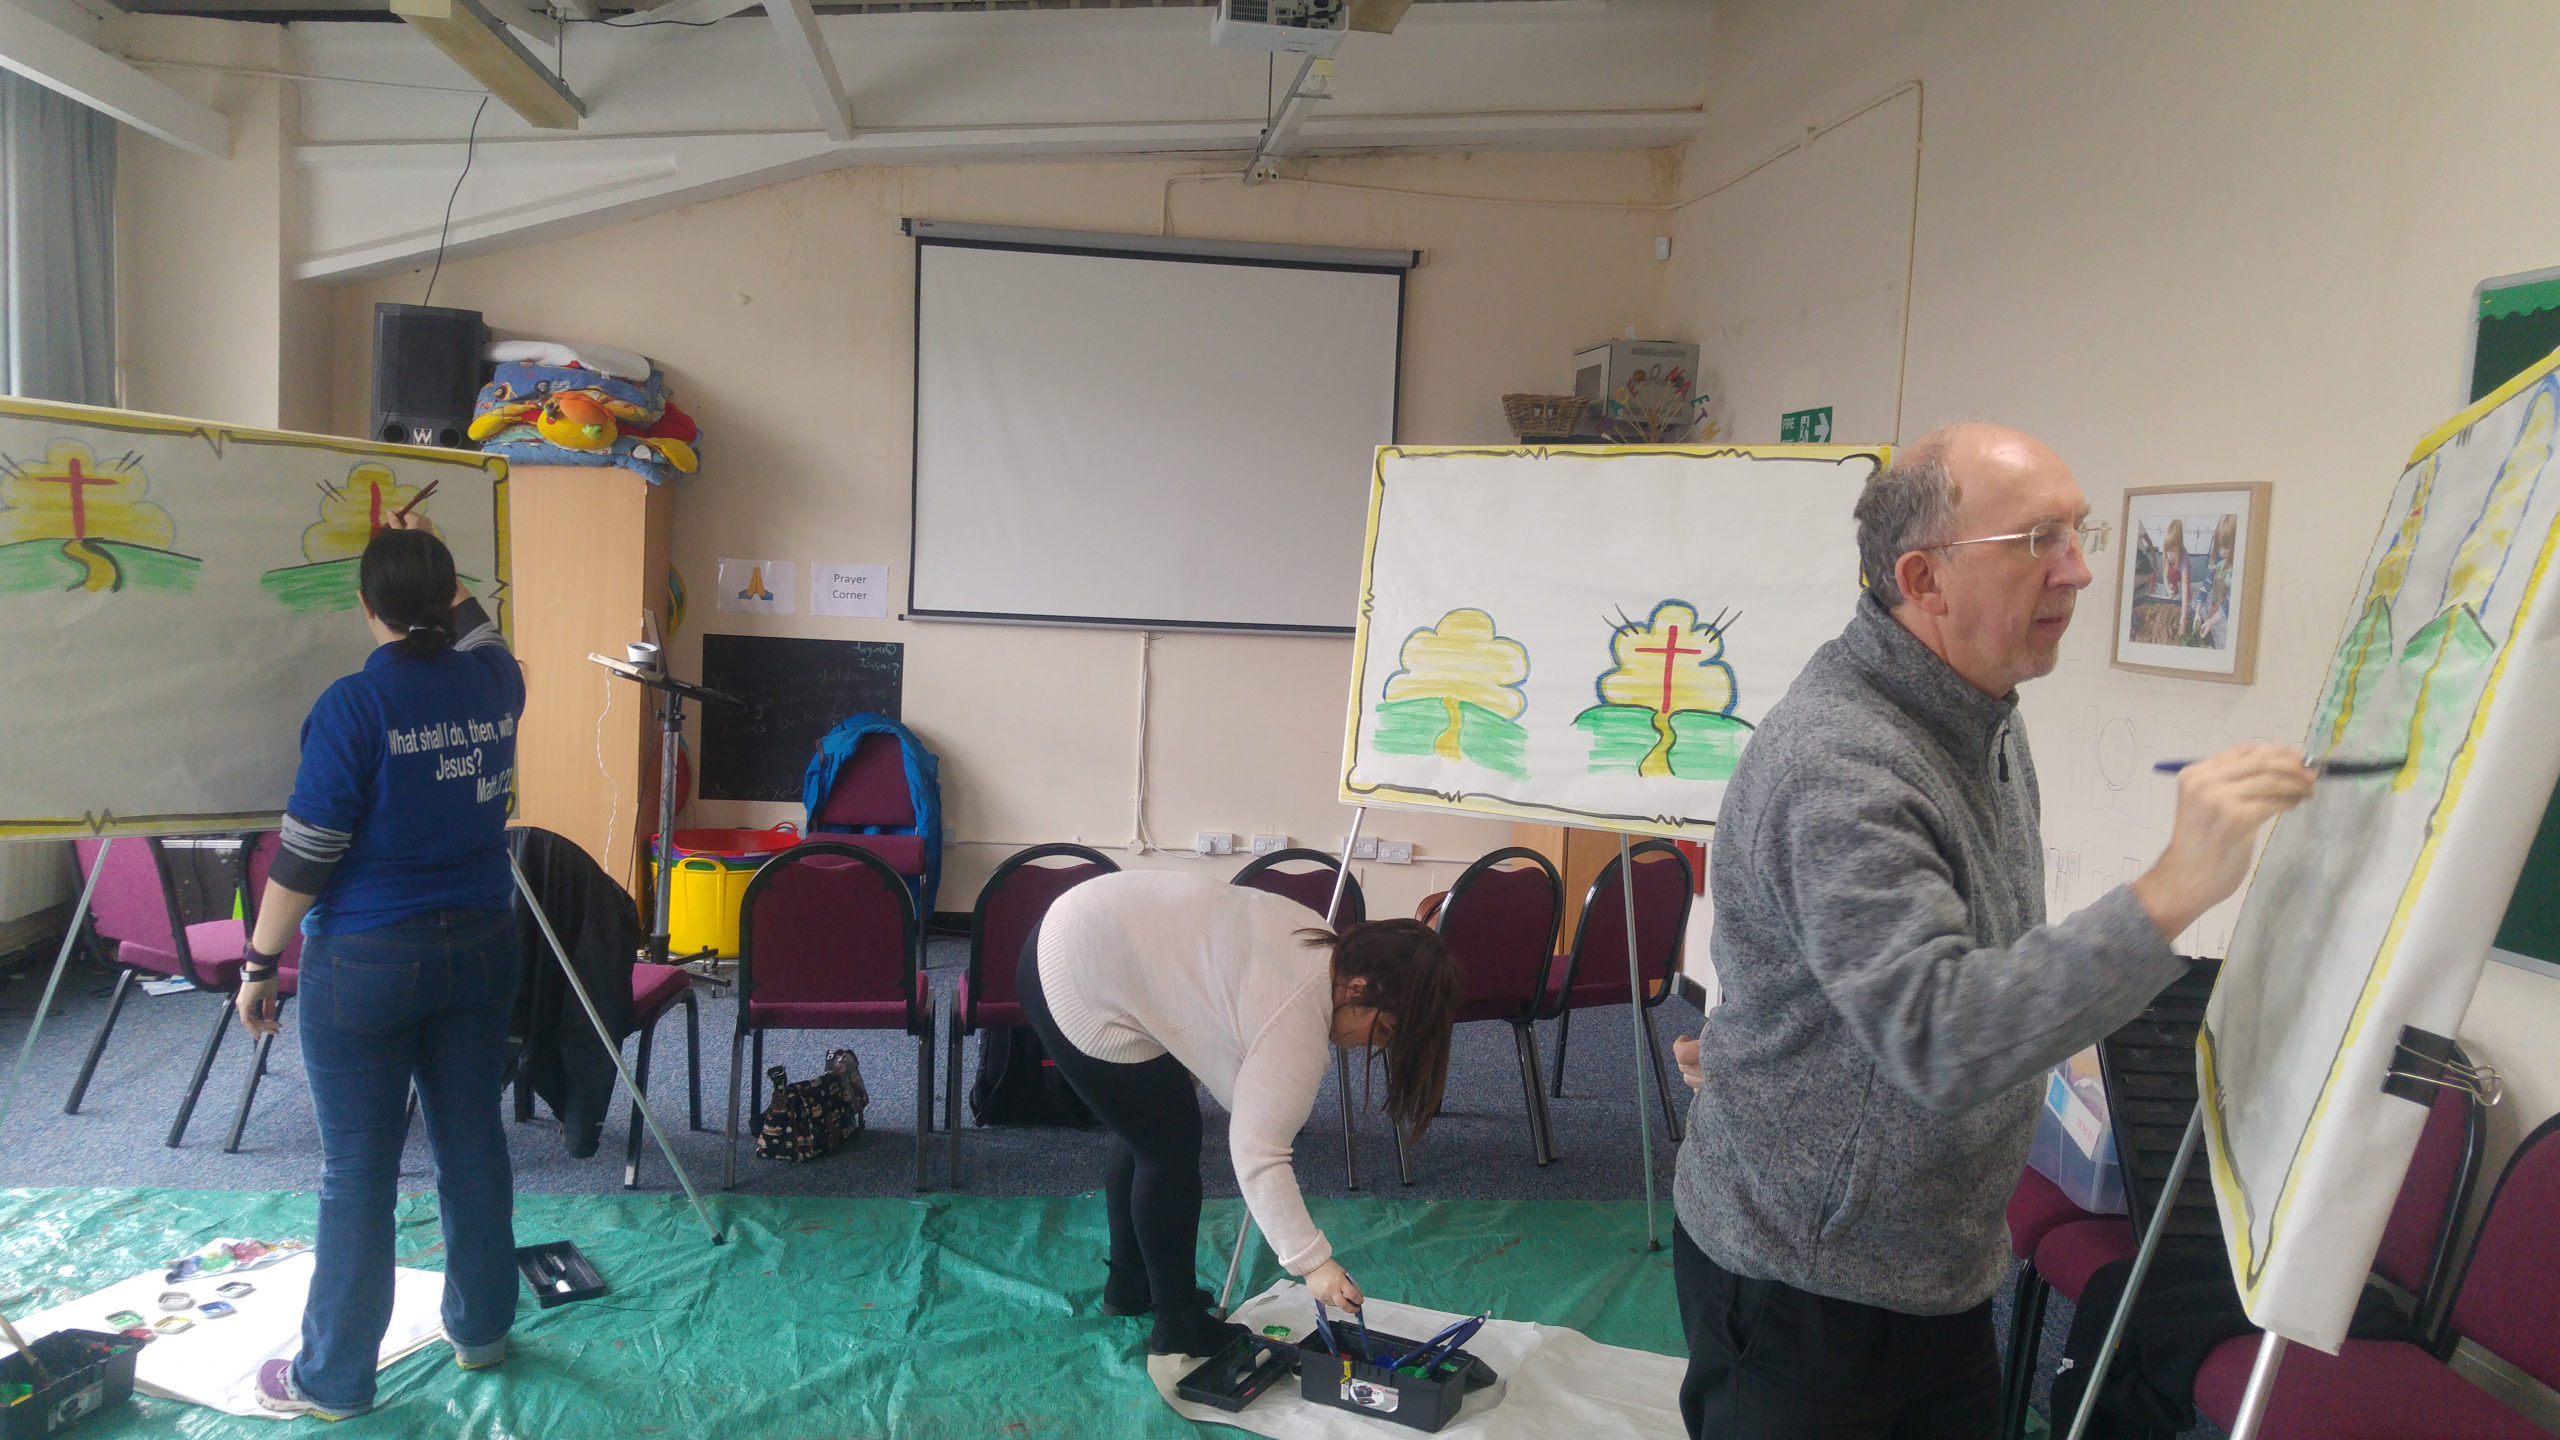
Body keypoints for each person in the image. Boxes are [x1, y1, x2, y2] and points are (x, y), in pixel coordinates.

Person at [1667, 423, 2314, 1439]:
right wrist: (2172, 890)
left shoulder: (1980, 712)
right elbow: (1940, 1036)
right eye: (2037, 539)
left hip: (1938, 1263)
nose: (2080, 569)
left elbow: (1960, 971)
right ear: (1922, 579)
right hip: (1807, 1281)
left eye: (2080, 531)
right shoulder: (1841, 764)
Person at [233, 513, 527, 1420]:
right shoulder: (497, 681)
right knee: (471, 1140)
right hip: (482, 943)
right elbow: (482, 630)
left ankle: (333, 1380)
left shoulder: (353, 705)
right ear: (446, 595)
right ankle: (482, 1331)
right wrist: (435, 557)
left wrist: (258, 960)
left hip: (367, 957)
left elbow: (309, 850)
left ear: (366, 607)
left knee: (358, 1169)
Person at [1020, 870, 1461, 1357]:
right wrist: (1314, 1264)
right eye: (1383, 1031)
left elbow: (1205, 999)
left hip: (1081, 927)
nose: (1369, 1047)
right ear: (1358, 988)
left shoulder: (1316, 939)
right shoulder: (1298, 1016)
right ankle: (1177, 1325)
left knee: (1146, 1122)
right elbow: (1258, 1151)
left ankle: (1129, 1285)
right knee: (1168, 1144)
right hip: (1078, 974)